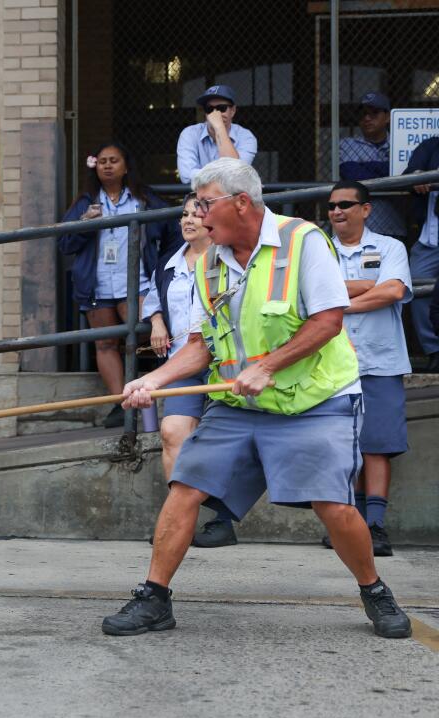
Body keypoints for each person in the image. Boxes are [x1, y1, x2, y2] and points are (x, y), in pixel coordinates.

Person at [103, 158, 412, 640]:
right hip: (239, 405)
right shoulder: (208, 261)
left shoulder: (303, 240)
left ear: (241, 202)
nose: (198, 216)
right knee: (185, 487)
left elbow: (328, 320)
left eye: (206, 204)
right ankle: (154, 597)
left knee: (333, 505)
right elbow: (203, 342)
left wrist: (266, 366)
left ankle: (373, 589)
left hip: (315, 401)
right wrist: (155, 380)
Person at [59, 141, 182, 427]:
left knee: (142, 335)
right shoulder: (86, 201)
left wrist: (163, 265)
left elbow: (173, 229)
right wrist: (83, 222)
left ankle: (151, 392)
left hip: (136, 283)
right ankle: (122, 405)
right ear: (95, 166)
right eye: (102, 161)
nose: (107, 165)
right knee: (105, 343)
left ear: (126, 166)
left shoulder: (143, 199)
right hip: (97, 286)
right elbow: (64, 242)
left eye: (114, 160)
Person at [141, 196, 238, 546]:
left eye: (197, 213)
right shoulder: (169, 263)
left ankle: (222, 521)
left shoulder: (230, 259)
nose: (188, 220)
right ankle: (179, 520)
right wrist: (156, 322)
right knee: (171, 432)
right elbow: (153, 298)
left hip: (224, 365)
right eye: (184, 214)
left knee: (222, 444)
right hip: (181, 363)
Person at [325, 180, 412, 556]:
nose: (336, 211)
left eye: (345, 204)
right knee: (345, 446)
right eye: (331, 206)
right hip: (331, 364)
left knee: (377, 445)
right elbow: (305, 294)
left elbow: (392, 291)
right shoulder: (320, 250)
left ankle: (375, 527)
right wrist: (363, 286)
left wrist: (338, 302)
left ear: (366, 209)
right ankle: (352, 527)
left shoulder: (390, 246)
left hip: (380, 359)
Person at [338, 92, 406, 239]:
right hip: (358, 229)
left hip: (396, 225)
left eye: (374, 113)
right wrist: (390, 175)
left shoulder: (400, 143)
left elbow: (405, 175)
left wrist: (367, 167)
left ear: (387, 117)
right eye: (363, 114)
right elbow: (354, 177)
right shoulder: (348, 144)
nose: (367, 118)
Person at [404, 134, 439, 372]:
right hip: (430, 237)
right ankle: (434, 350)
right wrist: (418, 177)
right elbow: (410, 174)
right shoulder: (431, 145)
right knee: (415, 286)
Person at [176, 85, 258, 184]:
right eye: (209, 109)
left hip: (231, 196)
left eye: (221, 108)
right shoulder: (189, 133)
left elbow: (236, 175)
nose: (216, 113)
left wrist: (219, 128)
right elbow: (187, 176)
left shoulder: (246, 137)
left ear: (233, 111)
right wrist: (222, 176)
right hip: (199, 195)